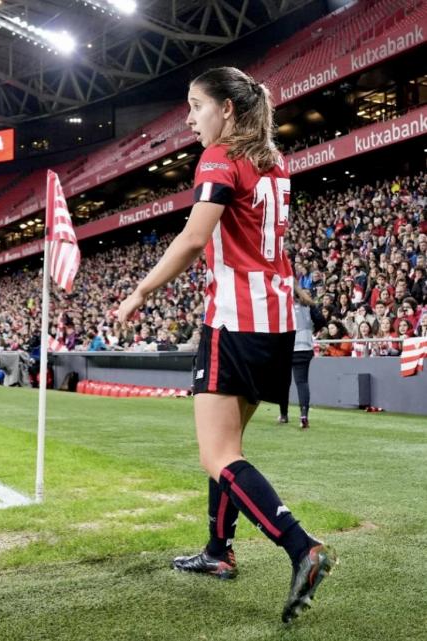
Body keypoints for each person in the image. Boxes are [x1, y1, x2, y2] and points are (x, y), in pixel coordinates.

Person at [117, 67, 336, 623]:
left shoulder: (218, 158)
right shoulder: (274, 162)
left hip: (235, 320)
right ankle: (218, 551)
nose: (190, 118)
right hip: (276, 322)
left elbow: (194, 238)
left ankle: (301, 546)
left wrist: (140, 290)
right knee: (228, 445)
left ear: (228, 110)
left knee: (218, 455)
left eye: (195, 106)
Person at [278, 285, 326, 429]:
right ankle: (303, 415)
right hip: (304, 348)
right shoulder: (309, 308)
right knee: (302, 382)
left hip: (286, 349)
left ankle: (284, 415)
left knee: (283, 383)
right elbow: (322, 322)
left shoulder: (285, 307)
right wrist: (312, 328)